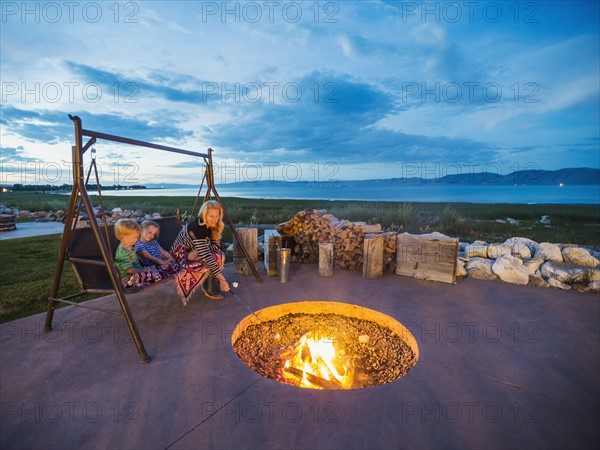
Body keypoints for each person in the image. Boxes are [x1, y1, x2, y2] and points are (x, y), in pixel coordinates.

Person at [171, 200, 230, 298]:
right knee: (212, 257)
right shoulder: (196, 228)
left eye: (217, 216)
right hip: (180, 257)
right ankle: (211, 290)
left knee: (217, 254)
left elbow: (216, 246)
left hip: (194, 253)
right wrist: (222, 280)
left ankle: (210, 287)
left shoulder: (215, 225)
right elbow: (207, 256)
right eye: (211, 216)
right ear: (204, 214)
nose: (214, 219)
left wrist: (200, 250)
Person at [114, 219, 176, 288]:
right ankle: (159, 284)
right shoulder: (122, 252)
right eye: (134, 237)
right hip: (127, 278)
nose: (136, 239)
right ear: (123, 237)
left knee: (153, 270)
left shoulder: (129, 247)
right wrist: (143, 270)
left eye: (137, 237)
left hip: (137, 272)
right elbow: (130, 270)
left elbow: (163, 252)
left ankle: (162, 276)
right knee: (155, 274)